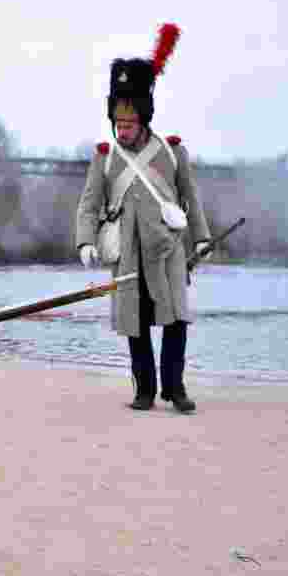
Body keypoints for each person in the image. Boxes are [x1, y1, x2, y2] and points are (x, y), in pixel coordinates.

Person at [76, 24, 211, 413]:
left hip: (167, 252)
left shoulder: (172, 153)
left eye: (128, 125)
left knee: (176, 321)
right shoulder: (105, 158)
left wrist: (201, 237)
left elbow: (190, 197)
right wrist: (85, 241)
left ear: (144, 119)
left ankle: (176, 388)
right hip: (127, 255)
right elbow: (89, 204)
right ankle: (145, 390)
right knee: (134, 325)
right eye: (118, 125)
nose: (122, 131)